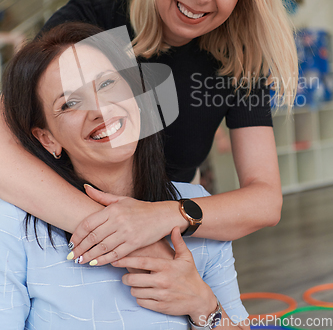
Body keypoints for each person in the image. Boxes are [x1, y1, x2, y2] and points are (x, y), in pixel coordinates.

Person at [0, 0, 298, 265]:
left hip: (169, 241)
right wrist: (124, 235)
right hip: (70, 239)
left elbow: (265, 200)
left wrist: (161, 218)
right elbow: (4, 146)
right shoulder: (88, 24)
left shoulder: (239, 61)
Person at [0, 22, 249, 329]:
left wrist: (203, 304)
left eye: (106, 85)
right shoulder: (16, 226)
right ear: (47, 138)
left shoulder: (196, 208)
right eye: (70, 103)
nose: (100, 109)